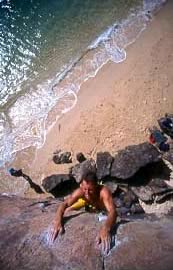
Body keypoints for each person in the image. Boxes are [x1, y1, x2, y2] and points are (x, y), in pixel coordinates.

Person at [48, 171, 117, 254]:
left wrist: (106, 228)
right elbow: (64, 204)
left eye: (90, 190)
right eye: (85, 189)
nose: (87, 193)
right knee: (67, 211)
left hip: (100, 207)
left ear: (96, 186)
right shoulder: (81, 191)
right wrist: (57, 220)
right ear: (81, 185)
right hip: (85, 202)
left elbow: (113, 211)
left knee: (104, 216)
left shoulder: (103, 192)